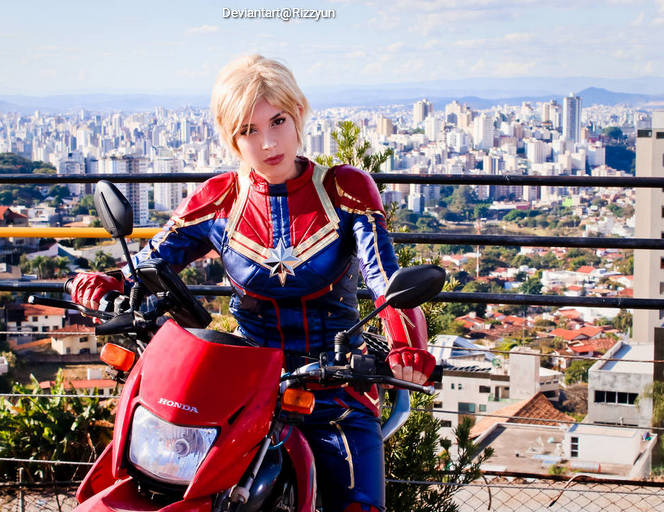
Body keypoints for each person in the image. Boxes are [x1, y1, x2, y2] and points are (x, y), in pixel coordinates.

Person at [70, 54, 436, 512]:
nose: (268, 142)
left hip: (335, 388)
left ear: (298, 113)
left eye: (277, 121)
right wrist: (101, 284)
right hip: (243, 392)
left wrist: (406, 347)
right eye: (248, 130)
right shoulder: (219, 198)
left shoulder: (345, 189)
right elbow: (149, 264)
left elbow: (384, 277)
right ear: (231, 137)